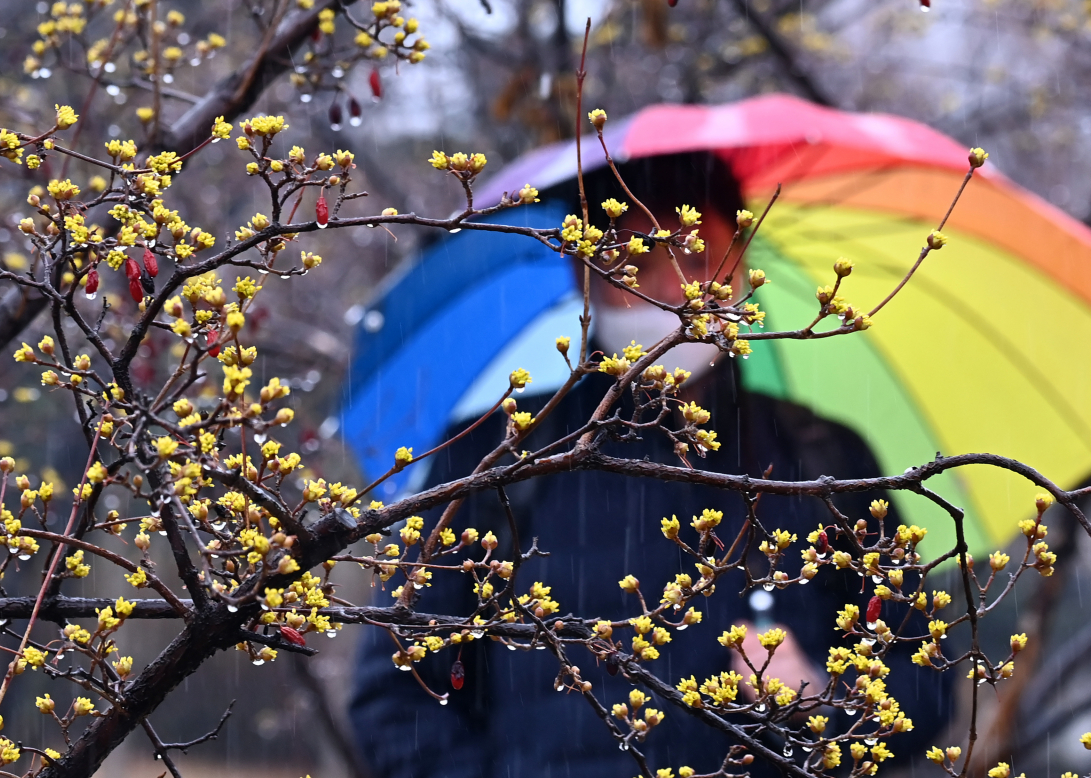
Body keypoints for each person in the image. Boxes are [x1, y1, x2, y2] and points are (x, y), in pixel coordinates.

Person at [348, 152, 952, 778]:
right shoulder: (500, 453)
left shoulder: (822, 458)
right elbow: (396, 698)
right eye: (634, 262)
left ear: (742, 265)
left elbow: (926, 684)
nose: (671, 292)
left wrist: (821, 703)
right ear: (582, 270)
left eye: (698, 258)